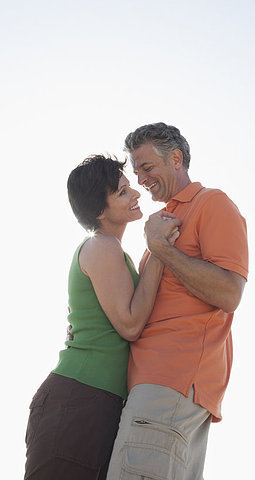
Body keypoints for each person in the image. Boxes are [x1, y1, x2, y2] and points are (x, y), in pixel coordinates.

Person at [106, 123, 249, 480]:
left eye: (147, 167)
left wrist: (161, 249)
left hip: (168, 385)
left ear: (176, 158)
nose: (141, 179)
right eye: (136, 171)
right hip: (159, 390)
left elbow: (230, 293)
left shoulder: (210, 203)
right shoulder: (165, 221)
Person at [24, 155, 180, 480]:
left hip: (93, 403)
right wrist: (160, 249)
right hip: (78, 400)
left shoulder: (114, 252)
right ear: (99, 211)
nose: (136, 194)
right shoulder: (102, 246)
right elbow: (131, 325)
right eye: (123, 192)